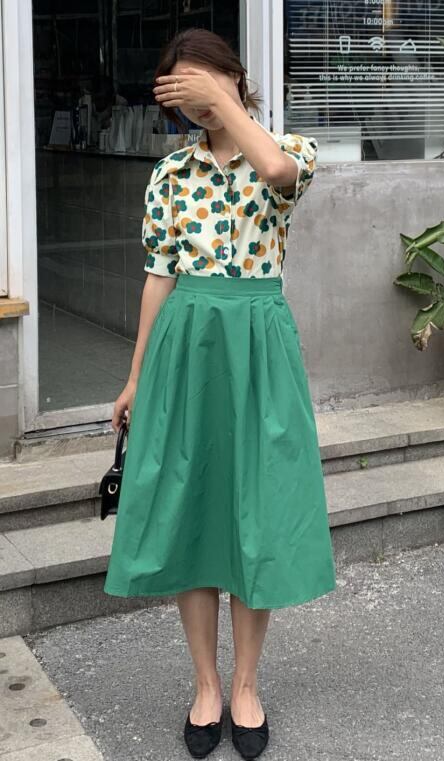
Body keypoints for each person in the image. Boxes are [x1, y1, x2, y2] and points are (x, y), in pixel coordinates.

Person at [102, 27, 337, 760]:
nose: (196, 103)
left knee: (258, 513)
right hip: (187, 347)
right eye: (184, 92)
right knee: (196, 513)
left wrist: (222, 98)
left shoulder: (290, 150)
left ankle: (246, 684)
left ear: (233, 76)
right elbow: (159, 276)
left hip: (259, 348)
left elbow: (276, 171)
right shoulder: (170, 174)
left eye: (203, 82)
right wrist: (136, 376)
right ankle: (206, 684)